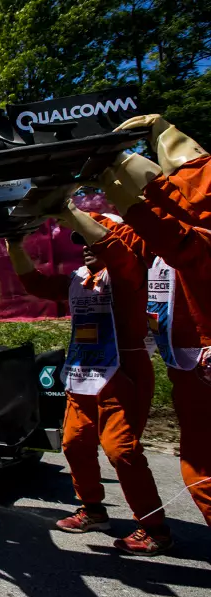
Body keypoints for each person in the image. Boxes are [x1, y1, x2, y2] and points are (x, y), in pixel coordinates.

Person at [6, 201, 171, 555]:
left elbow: (117, 250)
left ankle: (153, 527)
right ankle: (93, 510)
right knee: (74, 443)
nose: (85, 248)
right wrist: (14, 245)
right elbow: (35, 284)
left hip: (122, 373)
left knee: (121, 451)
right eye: (80, 241)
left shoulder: (129, 274)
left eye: (93, 241)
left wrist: (65, 207)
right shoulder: (78, 280)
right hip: (83, 374)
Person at [97, 115, 211, 532]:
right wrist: (106, 178)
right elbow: (126, 236)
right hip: (187, 367)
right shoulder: (153, 244)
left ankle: (152, 528)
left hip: (197, 363)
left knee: (201, 470)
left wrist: (157, 139)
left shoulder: (193, 234)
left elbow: (185, 207)